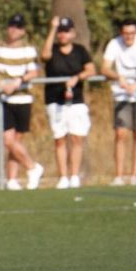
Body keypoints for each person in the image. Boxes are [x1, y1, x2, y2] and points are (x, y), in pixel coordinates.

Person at [0, 15, 45, 190]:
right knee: (8, 140)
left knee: (17, 140)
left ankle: (12, 179)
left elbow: (34, 72)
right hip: (2, 98)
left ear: (23, 31)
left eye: (17, 27)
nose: (13, 30)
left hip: (23, 98)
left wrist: (18, 81)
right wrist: (0, 84)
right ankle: (33, 167)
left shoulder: (28, 49)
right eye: (11, 26)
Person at [40, 16, 95, 189]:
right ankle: (63, 176)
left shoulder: (80, 50)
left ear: (72, 33)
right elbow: (44, 55)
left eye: (66, 31)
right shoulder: (53, 49)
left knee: (77, 138)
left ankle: (74, 175)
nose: (62, 35)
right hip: (55, 101)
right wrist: (52, 29)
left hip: (76, 101)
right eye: (60, 32)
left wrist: (76, 78)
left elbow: (91, 70)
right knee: (60, 139)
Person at [102, 19, 136, 185]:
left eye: (132, 33)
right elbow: (105, 68)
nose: (129, 37)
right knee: (120, 133)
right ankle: (119, 176)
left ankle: (134, 175)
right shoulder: (114, 44)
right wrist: (119, 78)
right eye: (126, 33)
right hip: (121, 94)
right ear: (121, 33)